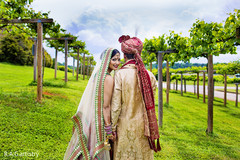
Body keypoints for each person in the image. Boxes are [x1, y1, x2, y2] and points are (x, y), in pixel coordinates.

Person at [64, 48, 120, 160]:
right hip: (99, 121)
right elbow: (105, 106)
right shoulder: (108, 79)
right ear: (106, 60)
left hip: (90, 118)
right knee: (97, 151)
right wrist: (109, 130)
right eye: (114, 59)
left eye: (119, 59)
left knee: (86, 149)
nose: (117, 63)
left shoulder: (96, 76)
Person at [111, 35, 161, 160]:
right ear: (139, 53)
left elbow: (116, 106)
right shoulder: (149, 75)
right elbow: (151, 104)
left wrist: (111, 128)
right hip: (144, 128)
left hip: (124, 127)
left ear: (124, 55)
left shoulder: (119, 75)